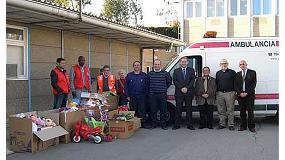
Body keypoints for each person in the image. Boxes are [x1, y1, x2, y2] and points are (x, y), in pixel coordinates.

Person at [147, 59, 172, 130]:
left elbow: (169, 82)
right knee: (153, 110)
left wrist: (164, 88)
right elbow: (148, 84)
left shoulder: (165, 73)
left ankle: (163, 124)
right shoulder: (149, 74)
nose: (157, 65)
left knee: (163, 110)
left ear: (160, 65)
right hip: (152, 95)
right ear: (153, 65)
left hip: (162, 94)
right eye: (155, 64)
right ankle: (154, 124)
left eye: (158, 64)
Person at [172, 57, 196, 130]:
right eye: (182, 62)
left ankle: (189, 124)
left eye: (185, 62)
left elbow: (192, 80)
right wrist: (181, 88)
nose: (184, 63)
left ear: (187, 62)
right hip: (179, 93)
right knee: (178, 109)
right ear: (180, 62)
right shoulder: (176, 71)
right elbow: (175, 81)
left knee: (189, 109)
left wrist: (187, 88)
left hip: (189, 93)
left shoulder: (191, 70)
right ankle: (177, 124)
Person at [124, 61, 149, 128]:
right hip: (132, 96)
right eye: (135, 65)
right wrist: (127, 96)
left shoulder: (144, 75)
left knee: (142, 110)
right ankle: (133, 125)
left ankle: (143, 124)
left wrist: (146, 95)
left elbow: (147, 86)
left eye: (138, 65)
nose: (136, 66)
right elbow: (126, 86)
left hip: (142, 96)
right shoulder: (129, 75)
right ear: (133, 66)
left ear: (140, 66)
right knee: (133, 111)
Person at [234, 60, 257, 132]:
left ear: (246, 64)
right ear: (239, 66)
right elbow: (236, 85)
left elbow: (254, 84)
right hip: (240, 96)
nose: (242, 65)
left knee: (250, 112)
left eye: (243, 64)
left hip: (249, 95)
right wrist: (240, 93)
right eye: (240, 64)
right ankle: (243, 126)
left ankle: (251, 127)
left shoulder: (252, 72)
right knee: (242, 112)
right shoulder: (237, 74)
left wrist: (247, 93)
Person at [216, 59, 236, 130]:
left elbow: (235, 82)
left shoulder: (232, 72)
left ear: (227, 64)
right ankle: (222, 124)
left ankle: (231, 124)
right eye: (222, 63)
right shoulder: (218, 73)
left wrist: (235, 92)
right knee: (221, 110)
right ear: (220, 65)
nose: (223, 65)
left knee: (230, 110)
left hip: (230, 93)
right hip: (220, 93)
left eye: (225, 63)